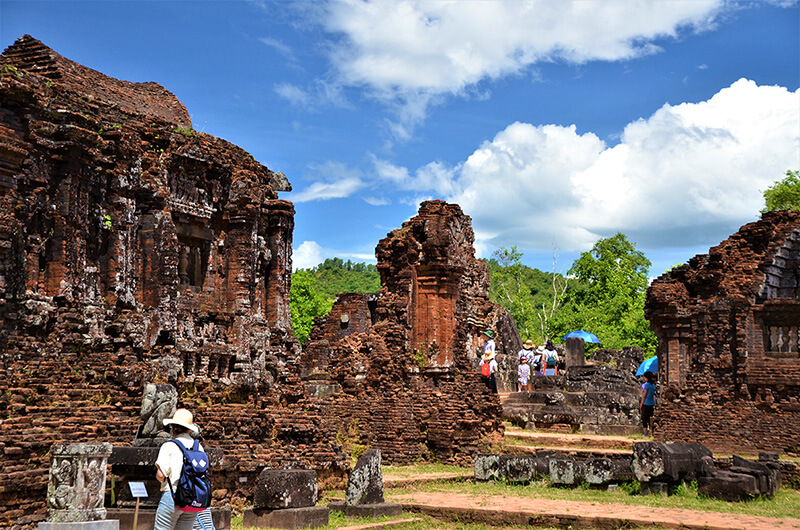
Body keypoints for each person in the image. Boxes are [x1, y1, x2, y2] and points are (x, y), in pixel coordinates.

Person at [155, 408, 205, 530]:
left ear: (172, 427)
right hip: (192, 497)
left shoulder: (169, 446)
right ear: (189, 428)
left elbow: (161, 475)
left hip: (173, 495)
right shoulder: (199, 447)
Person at [639, 371, 657, 436]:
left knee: (644, 419)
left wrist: (641, 404)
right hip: (651, 403)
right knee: (650, 419)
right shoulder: (653, 385)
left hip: (646, 403)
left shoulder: (646, 385)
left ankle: (645, 433)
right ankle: (651, 432)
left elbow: (644, 396)